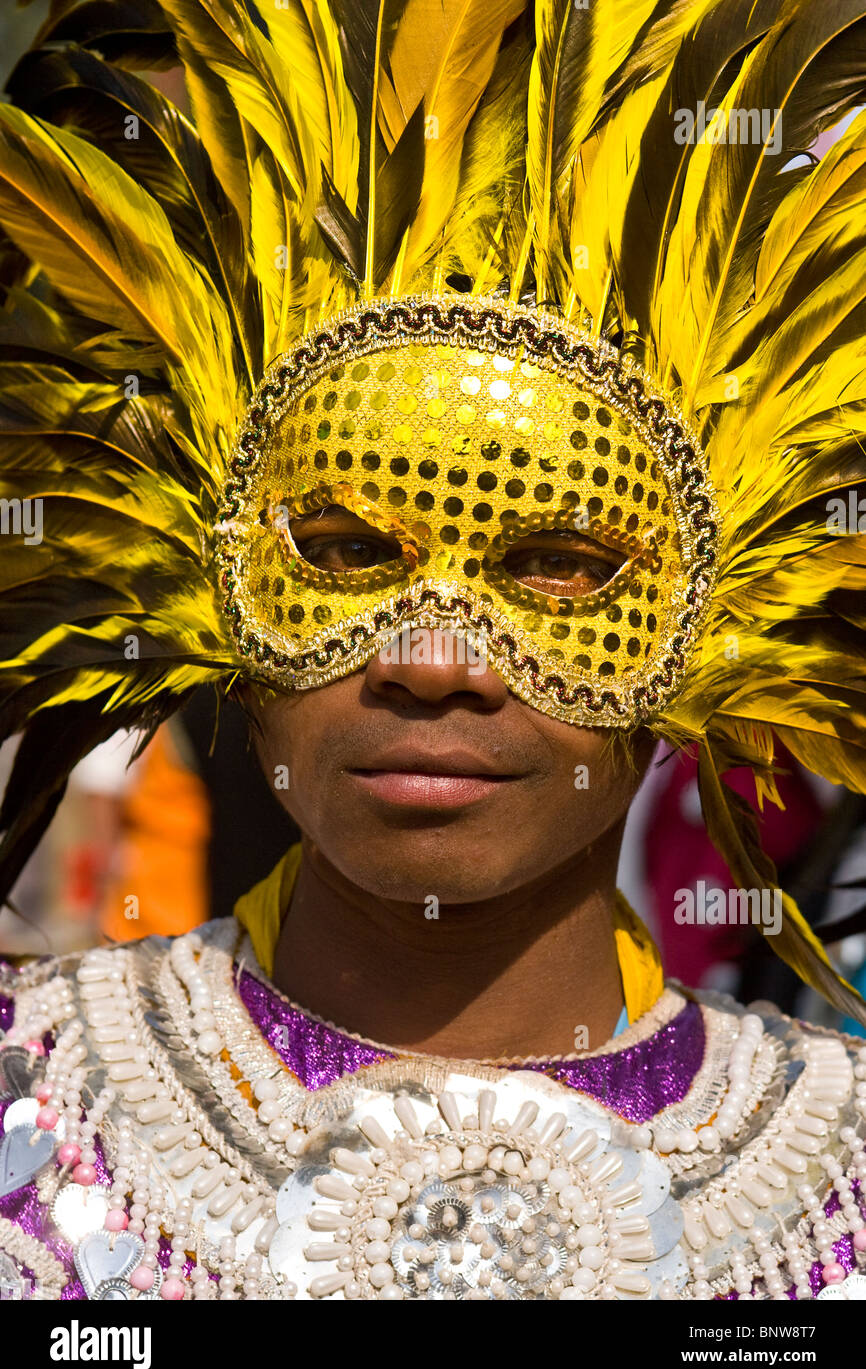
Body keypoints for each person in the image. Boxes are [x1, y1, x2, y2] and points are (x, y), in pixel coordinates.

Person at [1, 0, 866, 1303]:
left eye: (560, 565)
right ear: (208, 574)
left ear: (717, 611)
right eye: (342, 551)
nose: (436, 655)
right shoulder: (28, 1086)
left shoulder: (841, 1169)